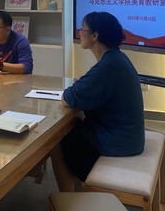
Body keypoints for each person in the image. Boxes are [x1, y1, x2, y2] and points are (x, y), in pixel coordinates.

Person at [50, 11, 144, 191]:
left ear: (95, 35)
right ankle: (73, 193)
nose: (79, 33)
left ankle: (66, 200)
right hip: (128, 138)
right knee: (73, 127)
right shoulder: (116, 58)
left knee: (56, 138)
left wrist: (76, 91)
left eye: (82, 29)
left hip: (118, 143)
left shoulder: (107, 66)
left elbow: (69, 97)